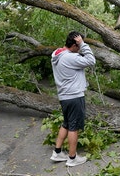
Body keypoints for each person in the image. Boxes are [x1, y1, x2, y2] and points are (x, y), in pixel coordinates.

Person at [49, 31, 96, 167]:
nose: (80, 48)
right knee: (73, 127)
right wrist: (83, 43)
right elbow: (91, 60)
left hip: (64, 96)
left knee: (67, 123)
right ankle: (72, 157)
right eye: (79, 46)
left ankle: (57, 152)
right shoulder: (70, 58)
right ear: (75, 44)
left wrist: (79, 45)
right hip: (74, 96)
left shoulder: (57, 54)